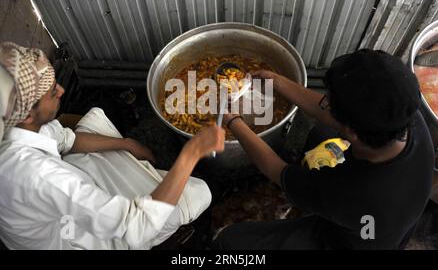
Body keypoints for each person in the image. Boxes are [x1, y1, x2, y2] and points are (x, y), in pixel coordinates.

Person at [0, 42, 225, 250]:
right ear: (28, 114)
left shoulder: (15, 123)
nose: (61, 90)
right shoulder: (39, 177)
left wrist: (126, 144)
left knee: (98, 115)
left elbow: (68, 140)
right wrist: (191, 153)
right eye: (52, 92)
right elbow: (137, 225)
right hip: (79, 238)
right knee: (197, 194)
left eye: (56, 83)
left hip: (66, 195)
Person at [214, 49, 435, 250]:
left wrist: (233, 121)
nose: (326, 103)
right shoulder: (402, 115)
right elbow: (335, 115)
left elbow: (276, 169)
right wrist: (277, 81)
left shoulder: (349, 192)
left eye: (330, 101)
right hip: (387, 219)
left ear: (353, 133)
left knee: (232, 240)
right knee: (321, 134)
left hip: (348, 242)